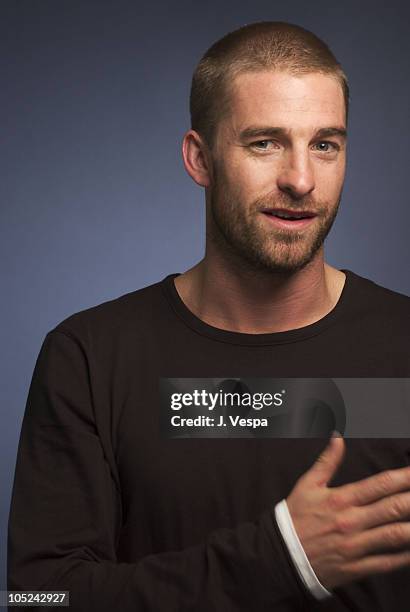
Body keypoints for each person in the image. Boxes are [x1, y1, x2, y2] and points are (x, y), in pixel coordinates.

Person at [7, 20, 410, 612]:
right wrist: (281, 560)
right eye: (264, 142)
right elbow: (34, 598)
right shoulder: (89, 357)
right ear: (200, 158)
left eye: (325, 144)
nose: (301, 179)